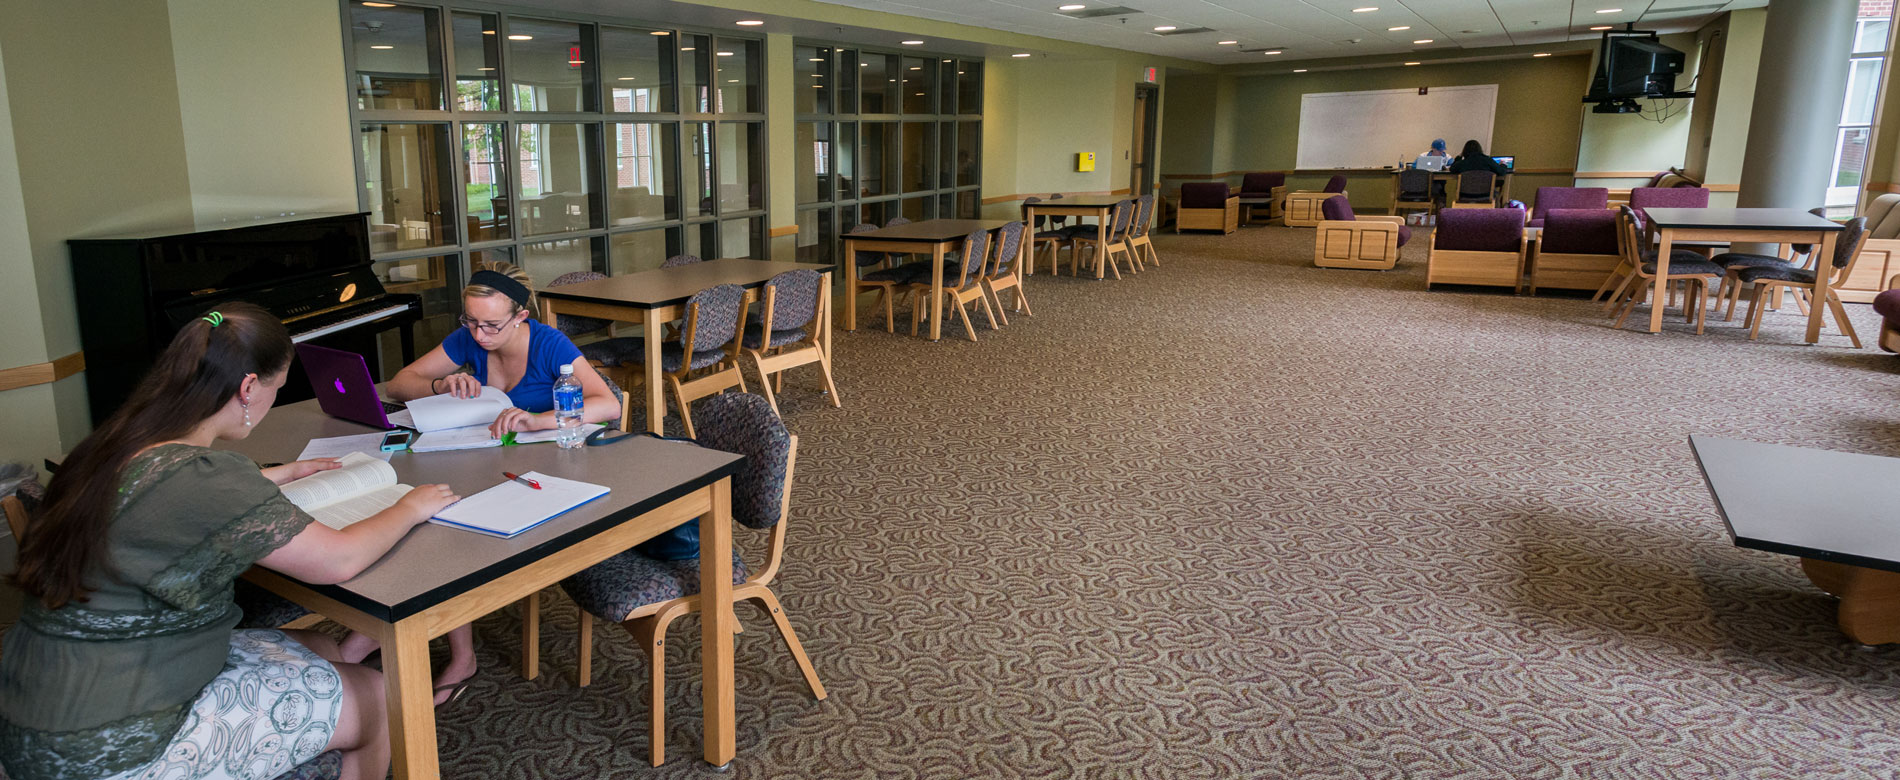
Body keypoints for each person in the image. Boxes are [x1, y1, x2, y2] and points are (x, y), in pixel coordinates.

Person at [0, 303, 461, 780]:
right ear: (247, 389)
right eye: (275, 389)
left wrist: (275, 474)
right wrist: (408, 508)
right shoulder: (205, 478)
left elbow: (171, 490)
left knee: (320, 646)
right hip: (111, 745)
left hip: (36, 705)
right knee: (381, 695)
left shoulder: (111, 443)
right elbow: (338, 560)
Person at [338, 261, 621, 701]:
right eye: (471, 322)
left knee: (444, 526)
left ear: (521, 317)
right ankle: (434, 642)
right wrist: (441, 383)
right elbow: (398, 384)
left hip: (543, 474)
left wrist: (537, 420)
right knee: (427, 512)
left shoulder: (550, 344)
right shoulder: (468, 339)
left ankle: (432, 645)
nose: (479, 335)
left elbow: (608, 404)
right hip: (485, 463)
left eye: (491, 325)